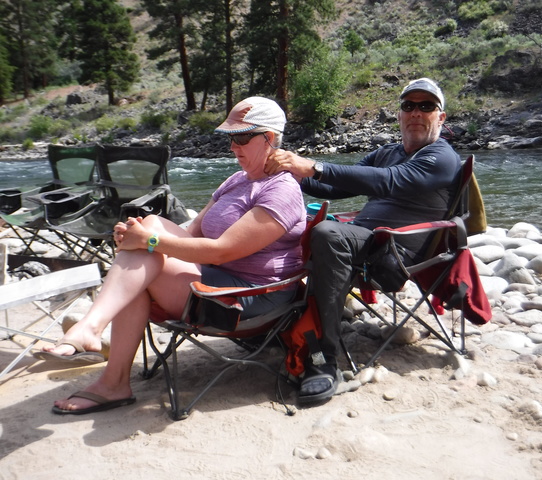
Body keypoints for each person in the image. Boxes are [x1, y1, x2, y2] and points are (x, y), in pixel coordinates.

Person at [36, 96, 307, 415]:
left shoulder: (282, 190)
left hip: (249, 298)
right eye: (230, 138)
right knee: (149, 226)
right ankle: (97, 343)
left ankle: (103, 357)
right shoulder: (237, 180)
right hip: (216, 280)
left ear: (269, 137)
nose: (233, 147)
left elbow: (223, 251)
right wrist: (138, 237)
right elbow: (191, 232)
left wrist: (149, 242)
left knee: (147, 248)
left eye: (242, 138)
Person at [265, 77, 462, 404]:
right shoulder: (387, 153)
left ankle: (321, 359)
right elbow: (334, 187)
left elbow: (390, 181)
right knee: (289, 227)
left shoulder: (442, 157)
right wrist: (289, 173)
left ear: (440, 117)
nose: (416, 112)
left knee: (327, 233)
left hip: (395, 254)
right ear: (399, 115)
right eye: (409, 105)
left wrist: (313, 165)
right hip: (363, 242)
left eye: (426, 106)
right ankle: (275, 322)